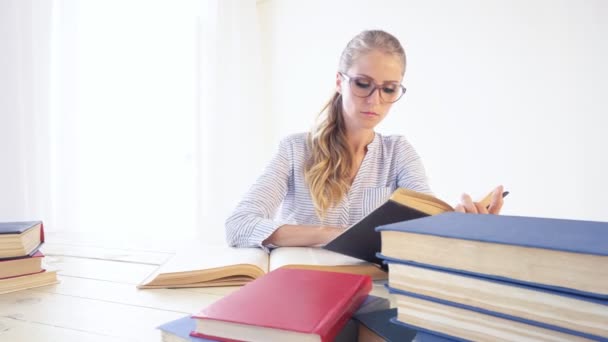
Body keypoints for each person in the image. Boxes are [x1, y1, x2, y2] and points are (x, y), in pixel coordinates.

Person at [225, 30, 503, 250]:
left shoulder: (398, 153)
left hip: (371, 292)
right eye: (362, 84)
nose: (375, 100)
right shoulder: (295, 150)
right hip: (304, 289)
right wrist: (337, 235)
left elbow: (421, 226)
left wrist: (460, 226)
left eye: (389, 89)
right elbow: (239, 226)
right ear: (339, 81)